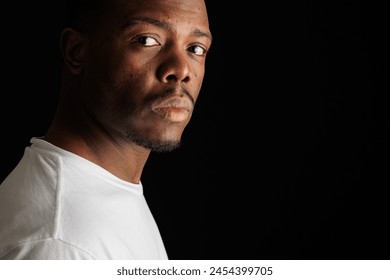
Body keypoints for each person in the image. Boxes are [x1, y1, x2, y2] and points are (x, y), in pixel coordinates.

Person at [0, 0, 212, 260]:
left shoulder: (104, 192)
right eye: (146, 40)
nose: (181, 69)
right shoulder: (61, 244)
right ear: (76, 52)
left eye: (195, 48)